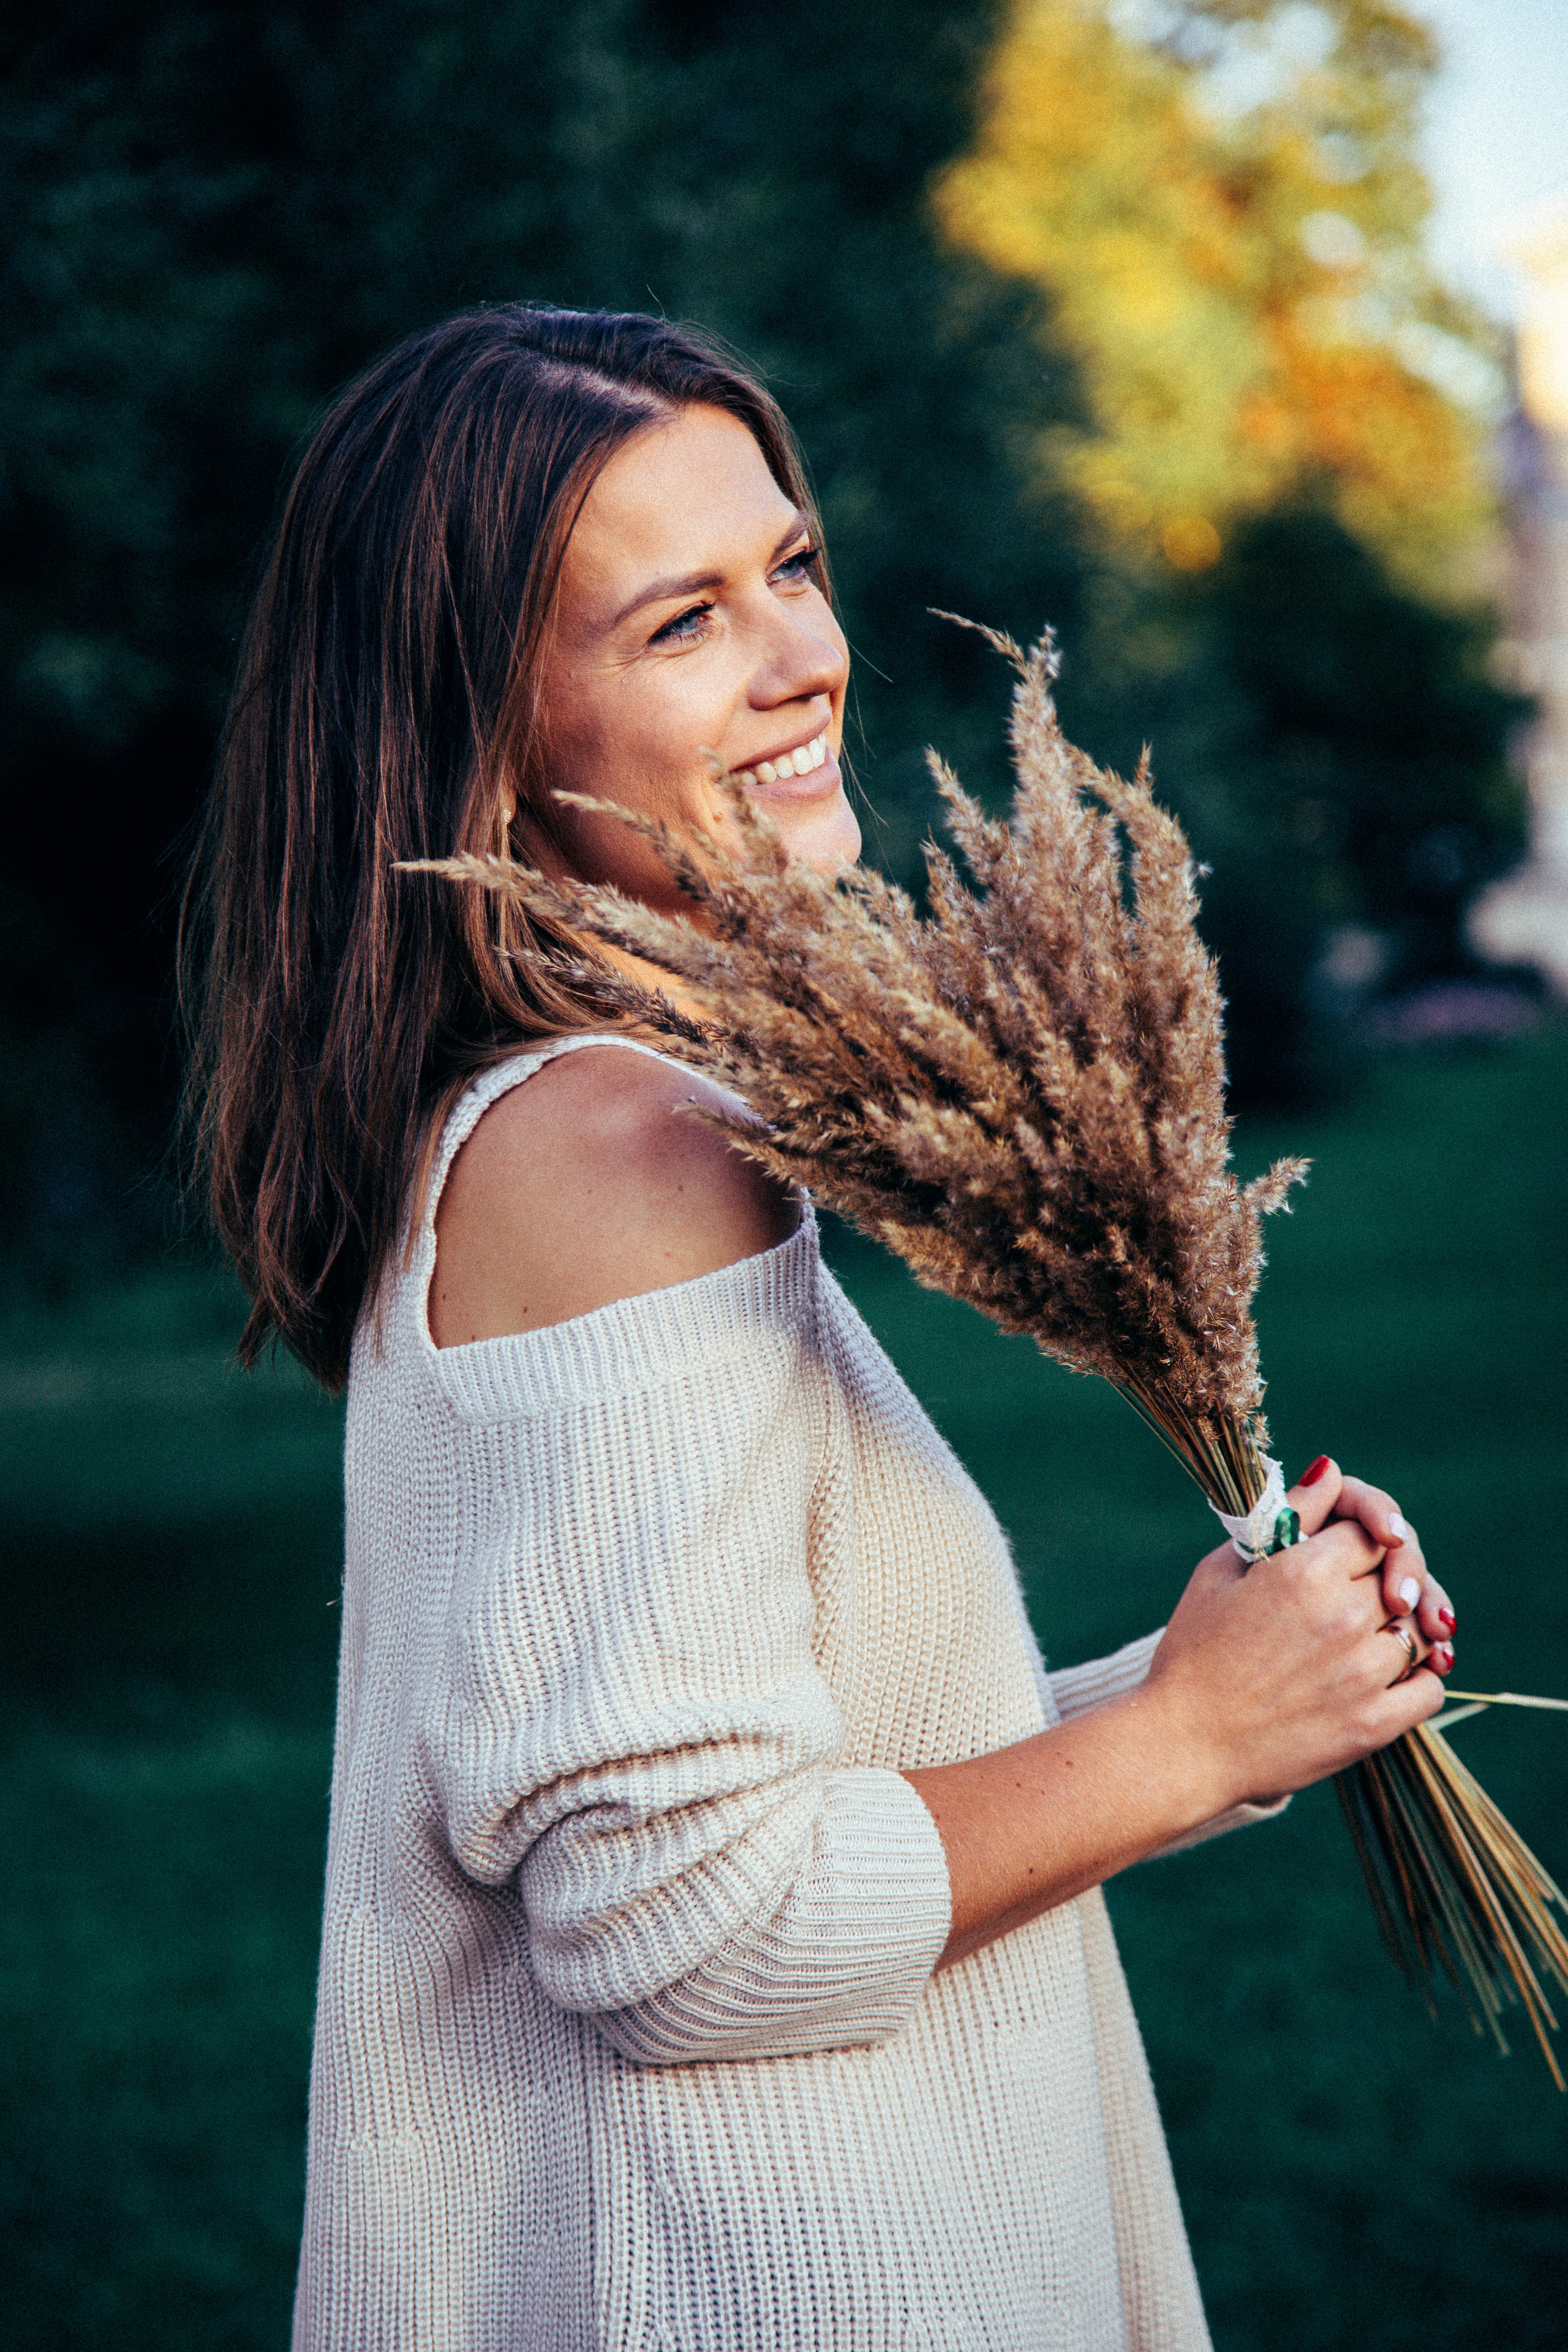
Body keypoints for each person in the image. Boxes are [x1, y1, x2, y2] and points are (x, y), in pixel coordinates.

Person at [184, 305, 1456, 2352]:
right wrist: (1189, 1739)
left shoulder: (565, 1123)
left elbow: (754, 1788)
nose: (801, 659)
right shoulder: (619, 1146)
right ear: (488, 742)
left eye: (789, 565)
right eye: (682, 622)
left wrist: (1227, 1687)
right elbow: (682, 1926)